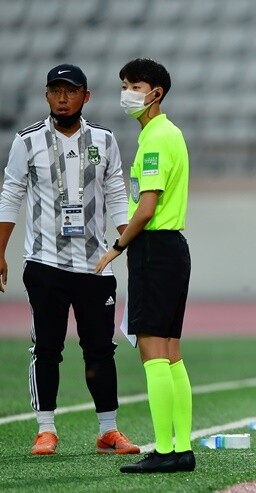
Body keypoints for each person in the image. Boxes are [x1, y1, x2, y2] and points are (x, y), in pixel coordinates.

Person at [0, 64, 140, 456]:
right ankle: (46, 429)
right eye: (56, 90)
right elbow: (11, 194)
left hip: (96, 263)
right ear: (46, 95)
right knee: (46, 346)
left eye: (71, 90)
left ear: (86, 96)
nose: (63, 98)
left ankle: (108, 430)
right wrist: (0, 252)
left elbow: (115, 193)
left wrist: (128, 244)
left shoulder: (104, 140)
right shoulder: (26, 142)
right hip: (44, 262)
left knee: (100, 348)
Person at [95, 58, 194, 473]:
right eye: (124, 84)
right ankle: (182, 447)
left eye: (134, 85)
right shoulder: (170, 133)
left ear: (156, 92)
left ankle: (167, 452)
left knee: (153, 352)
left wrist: (116, 247)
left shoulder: (155, 138)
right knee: (171, 352)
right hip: (174, 249)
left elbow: (147, 207)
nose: (127, 92)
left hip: (153, 249)